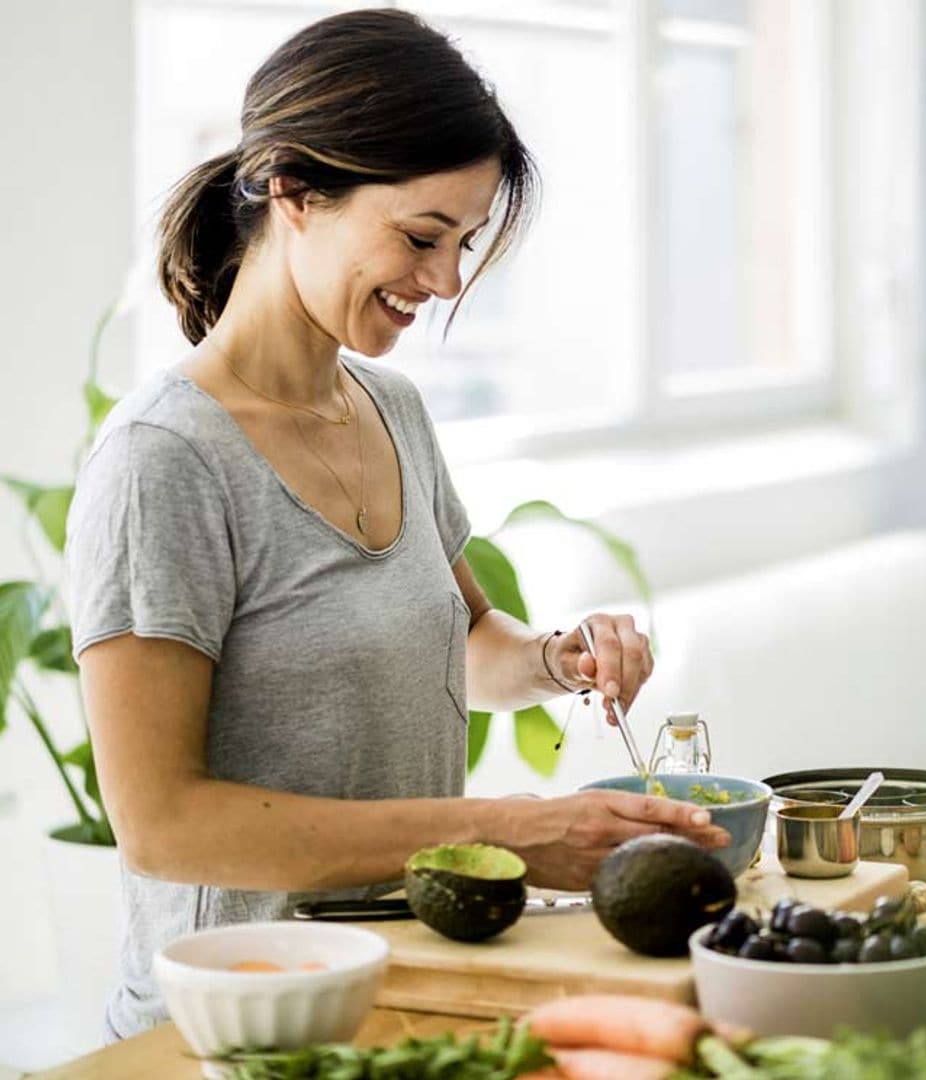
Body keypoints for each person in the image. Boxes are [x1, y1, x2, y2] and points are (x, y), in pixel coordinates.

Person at [66, 8, 729, 1041]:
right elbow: (164, 825)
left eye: (463, 245)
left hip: (405, 982)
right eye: (423, 237)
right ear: (292, 187)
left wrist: (559, 658)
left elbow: (464, 649)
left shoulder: (393, 410)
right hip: (239, 1025)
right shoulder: (166, 461)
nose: (447, 281)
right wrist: (510, 831)